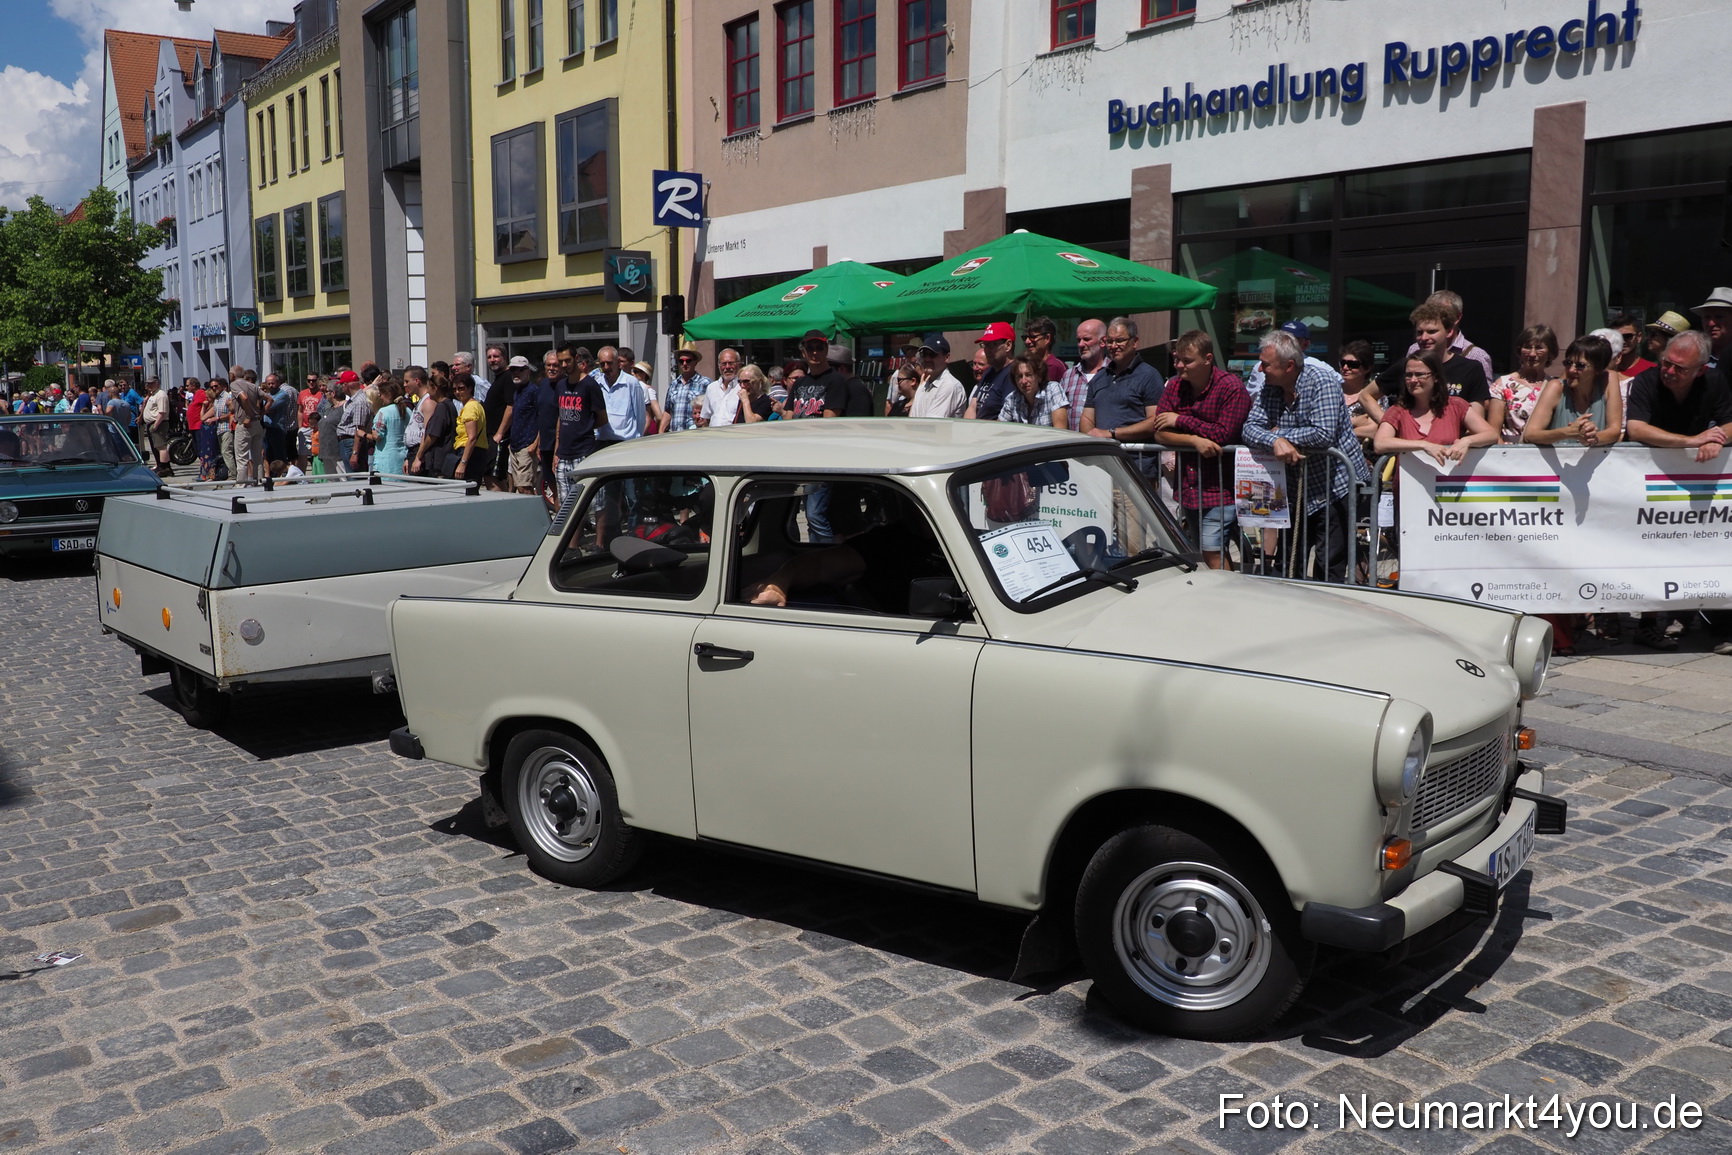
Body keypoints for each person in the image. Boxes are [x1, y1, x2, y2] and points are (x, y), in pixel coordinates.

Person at [1242, 330, 1371, 583]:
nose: (1260, 368)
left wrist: (1283, 433)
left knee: (1329, 564)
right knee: (1289, 561)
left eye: (1266, 364)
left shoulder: (1321, 381)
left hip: (1336, 487)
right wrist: (1275, 440)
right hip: (1295, 489)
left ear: (1289, 365)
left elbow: (1323, 434)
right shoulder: (1270, 386)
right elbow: (1249, 427)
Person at [1155, 331, 1252, 568]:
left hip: (1220, 487)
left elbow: (1223, 434)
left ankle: (1225, 600)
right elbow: (1159, 432)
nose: (1179, 365)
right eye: (1177, 359)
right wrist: (1194, 441)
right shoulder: (1175, 386)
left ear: (1208, 359)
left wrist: (1179, 421)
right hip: (1188, 486)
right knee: (1204, 551)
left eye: (1187, 361)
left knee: (1212, 551)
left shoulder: (1231, 387)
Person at [1374, 348, 1499, 464]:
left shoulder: (1456, 405)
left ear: (1436, 377)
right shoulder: (1398, 410)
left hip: (1445, 485)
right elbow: (1380, 443)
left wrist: (1467, 441)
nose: (1413, 380)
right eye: (1408, 375)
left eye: (1419, 374)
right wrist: (1424, 445)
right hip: (1409, 486)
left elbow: (1491, 434)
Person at [1379, 302, 1494, 426]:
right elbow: (1366, 395)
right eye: (1419, 332)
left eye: (1431, 331)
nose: (1424, 337)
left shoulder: (1471, 368)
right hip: (1412, 443)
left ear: (1449, 332)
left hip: (1453, 443)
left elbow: (1477, 419)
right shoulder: (1406, 366)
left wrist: (1461, 442)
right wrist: (1389, 424)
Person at [1081, 317, 1165, 476]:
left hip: (1138, 471)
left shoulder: (1149, 376)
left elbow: (1155, 421)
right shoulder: (1099, 378)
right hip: (1103, 469)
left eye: (1120, 340)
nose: (1113, 346)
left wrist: (1111, 434)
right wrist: (1093, 438)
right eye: (1110, 341)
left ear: (1135, 342)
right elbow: (1086, 419)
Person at [1524, 335, 1624, 449]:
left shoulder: (1609, 380)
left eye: (1580, 366)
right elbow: (1531, 434)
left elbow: (1615, 430)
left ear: (1598, 369)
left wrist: (1591, 438)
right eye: (1568, 363)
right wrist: (1568, 432)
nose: (1571, 370)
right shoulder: (1556, 387)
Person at [1402, 290, 1496, 386]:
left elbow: (1485, 398)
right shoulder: (1415, 349)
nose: (1434, 317)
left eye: (1444, 315)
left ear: (1458, 317)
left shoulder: (1476, 356)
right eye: (1429, 312)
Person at [551, 361, 609, 509]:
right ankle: (574, 533)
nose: (564, 364)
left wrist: (583, 426)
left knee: (594, 505)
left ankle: (599, 533)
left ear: (577, 361)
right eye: (560, 360)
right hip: (563, 454)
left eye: (567, 360)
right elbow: (561, 417)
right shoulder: (560, 386)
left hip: (584, 452)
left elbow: (602, 418)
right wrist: (556, 452)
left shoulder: (590, 385)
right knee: (568, 507)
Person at [1493, 325, 1560, 443]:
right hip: (1510, 454)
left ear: (1550, 352)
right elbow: (1493, 432)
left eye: (1539, 348)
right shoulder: (1503, 384)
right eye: (1527, 347)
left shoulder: (1555, 387)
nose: (1532, 354)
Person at [593, 345, 662, 445]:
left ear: (617, 363)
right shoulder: (598, 383)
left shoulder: (631, 383)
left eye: (609, 363)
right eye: (602, 364)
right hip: (603, 442)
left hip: (626, 442)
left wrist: (636, 439)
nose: (606, 367)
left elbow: (640, 416)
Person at [1057, 319, 1107, 431]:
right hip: (1074, 445)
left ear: (1103, 341)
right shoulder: (1068, 376)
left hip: (1103, 445)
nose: (1081, 344)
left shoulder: (1114, 373)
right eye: (1078, 340)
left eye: (1087, 339)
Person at [997, 354, 1069, 428]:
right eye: (1019, 376)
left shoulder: (1053, 390)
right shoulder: (1011, 399)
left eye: (1028, 375)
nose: (1024, 381)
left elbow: (1060, 431)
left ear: (1039, 376)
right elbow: (999, 429)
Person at [963, 322, 1017, 420]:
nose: (987, 350)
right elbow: (973, 405)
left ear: (1008, 345)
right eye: (985, 345)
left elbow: (1007, 416)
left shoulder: (1013, 373)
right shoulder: (990, 371)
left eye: (992, 345)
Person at [783, 332, 840, 419]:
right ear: (803, 352)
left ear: (826, 350)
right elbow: (788, 418)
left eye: (819, 348)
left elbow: (829, 421)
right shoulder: (798, 383)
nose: (814, 352)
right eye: (809, 348)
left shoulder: (835, 380)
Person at [908, 335, 966, 419]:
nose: (927, 359)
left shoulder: (950, 385)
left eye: (932, 354)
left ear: (946, 357)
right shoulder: (923, 386)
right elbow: (912, 419)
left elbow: (933, 425)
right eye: (924, 354)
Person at [1339, 340, 1384, 442]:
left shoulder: (1375, 395)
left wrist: (1339, 431)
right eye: (1342, 363)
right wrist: (1353, 422)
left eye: (1352, 364)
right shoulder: (1331, 393)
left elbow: (1376, 430)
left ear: (1367, 368)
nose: (1345, 368)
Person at [411, 377, 457, 477]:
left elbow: (433, 435)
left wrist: (419, 455)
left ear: (435, 388)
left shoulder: (441, 407)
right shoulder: (450, 404)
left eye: (428, 388)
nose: (427, 392)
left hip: (440, 460)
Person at [450, 373, 491, 483]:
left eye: (461, 388)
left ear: (470, 388)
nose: (457, 392)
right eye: (455, 389)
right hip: (476, 452)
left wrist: (463, 463)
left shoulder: (470, 408)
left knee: (467, 491)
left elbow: (472, 438)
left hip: (470, 454)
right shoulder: (476, 405)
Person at [370, 377, 411, 475]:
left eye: (381, 394)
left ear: (388, 395)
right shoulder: (408, 410)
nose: (379, 397)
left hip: (387, 460)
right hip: (403, 456)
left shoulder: (383, 412)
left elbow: (377, 436)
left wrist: (364, 434)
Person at [231, 370, 265, 485]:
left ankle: (241, 484)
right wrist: (260, 414)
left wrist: (248, 415)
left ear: (233, 375)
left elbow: (244, 398)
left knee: (242, 458)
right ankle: (259, 481)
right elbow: (269, 399)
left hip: (245, 424)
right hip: (257, 423)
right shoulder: (253, 386)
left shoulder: (234, 384)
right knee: (257, 457)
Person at [665, 347, 710, 432]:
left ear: (695, 362)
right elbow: (667, 411)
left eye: (688, 360)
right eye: (681, 361)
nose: (684, 363)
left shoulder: (706, 383)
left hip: (696, 434)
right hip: (675, 435)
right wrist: (661, 431)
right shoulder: (673, 384)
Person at [697, 348, 744, 427]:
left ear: (739, 364)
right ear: (719, 366)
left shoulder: (743, 387)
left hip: (735, 436)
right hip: (714, 436)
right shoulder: (711, 388)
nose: (727, 367)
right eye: (723, 364)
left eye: (731, 363)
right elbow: (706, 418)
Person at [1023, 317, 1069, 396]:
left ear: (1047, 338)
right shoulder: (1026, 366)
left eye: (1033, 337)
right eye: (1025, 337)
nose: (1027, 341)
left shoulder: (1056, 366)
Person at [1605, 309, 1654, 377]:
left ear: (1639, 337)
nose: (1622, 341)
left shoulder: (1651, 371)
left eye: (1627, 336)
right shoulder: (1601, 369)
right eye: (1616, 336)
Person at [139, 379, 173, 476]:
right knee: (156, 447)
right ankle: (159, 465)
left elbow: (162, 412)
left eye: (151, 383)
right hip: (151, 423)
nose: (148, 385)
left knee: (161, 446)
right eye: (147, 384)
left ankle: (165, 467)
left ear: (157, 383)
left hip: (159, 423)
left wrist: (155, 425)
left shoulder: (161, 395)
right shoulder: (152, 395)